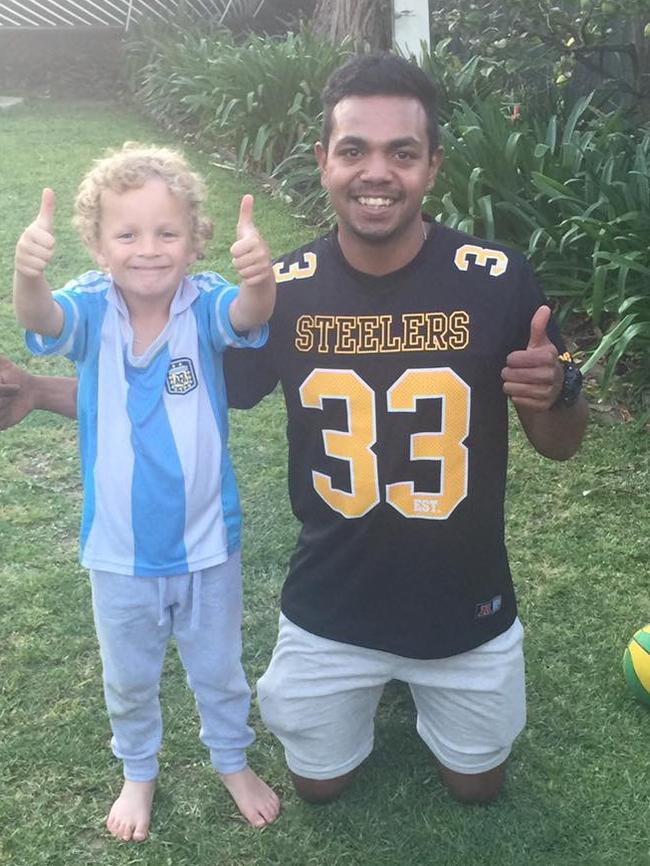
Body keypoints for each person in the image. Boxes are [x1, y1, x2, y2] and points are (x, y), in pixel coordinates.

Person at [2, 53, 588, 809]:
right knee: (318, 783)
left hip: (463, 600)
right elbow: (181, 395)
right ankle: (368, 677)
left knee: (476, 784)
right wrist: (42, 390)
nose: (377, 172)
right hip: (332, 602)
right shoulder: (283, 290)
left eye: (401, 153)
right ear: (323, 161)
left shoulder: (499, 277)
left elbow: (560, 440)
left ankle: (425, 680)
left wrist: (558, 390)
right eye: (354, 150)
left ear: (432, 165)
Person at [11, 142, 280, 841]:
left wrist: (260, 280)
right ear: (98, 247)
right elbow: (42, 323)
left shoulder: (209, 301)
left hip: (206, 544)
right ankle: (139, 769)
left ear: (195, 241)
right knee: (129, 679)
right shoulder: (89, 309)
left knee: (219, 670)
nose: (149, 250)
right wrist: (27, 276)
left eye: (167, 233)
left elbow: (249, 319)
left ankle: (231, 759)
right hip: (119, 552)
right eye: (126, 234)